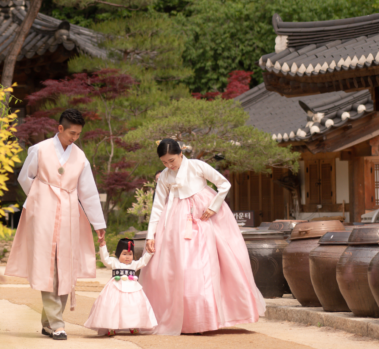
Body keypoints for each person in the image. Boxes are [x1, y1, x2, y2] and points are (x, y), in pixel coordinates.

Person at [139, 138, 265, 335]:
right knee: (176, 268)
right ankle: (187, 321)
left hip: (203, 217)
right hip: (175, 222)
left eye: (172, 160)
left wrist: (213, 207)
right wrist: (150, 235)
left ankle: (204, 319)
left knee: (202, 266)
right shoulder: (164, 176)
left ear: (181, 154)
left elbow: (224, 184)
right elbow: (158, 206)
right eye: (164, 162)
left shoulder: (197, 166)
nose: (169, 165)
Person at [5, 109, 107, 341]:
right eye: (72, 132)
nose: (75, 138)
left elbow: (88, 193)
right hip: (42, 214)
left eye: (79, 134)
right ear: (60, 128)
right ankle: (58, 323)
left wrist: (98, 223)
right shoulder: (39, 149)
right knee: (47, 266)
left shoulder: (80, 157)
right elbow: (25, 177)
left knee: (65, 267)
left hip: (70, 213)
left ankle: (49, 322)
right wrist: (40, 198)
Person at [84, 238, 157, 336]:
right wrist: (102, 246)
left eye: (130, 254)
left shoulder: (134, 264)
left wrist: (149, 253)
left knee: (134, 306)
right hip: (115, 288)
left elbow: (143, 262)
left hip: (133, 289)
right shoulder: (114, 262)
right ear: (118, 254)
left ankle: (133, 325)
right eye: (124, 254)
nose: (127, 257)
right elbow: (105, 259)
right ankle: (111, 327)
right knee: (113, 307)